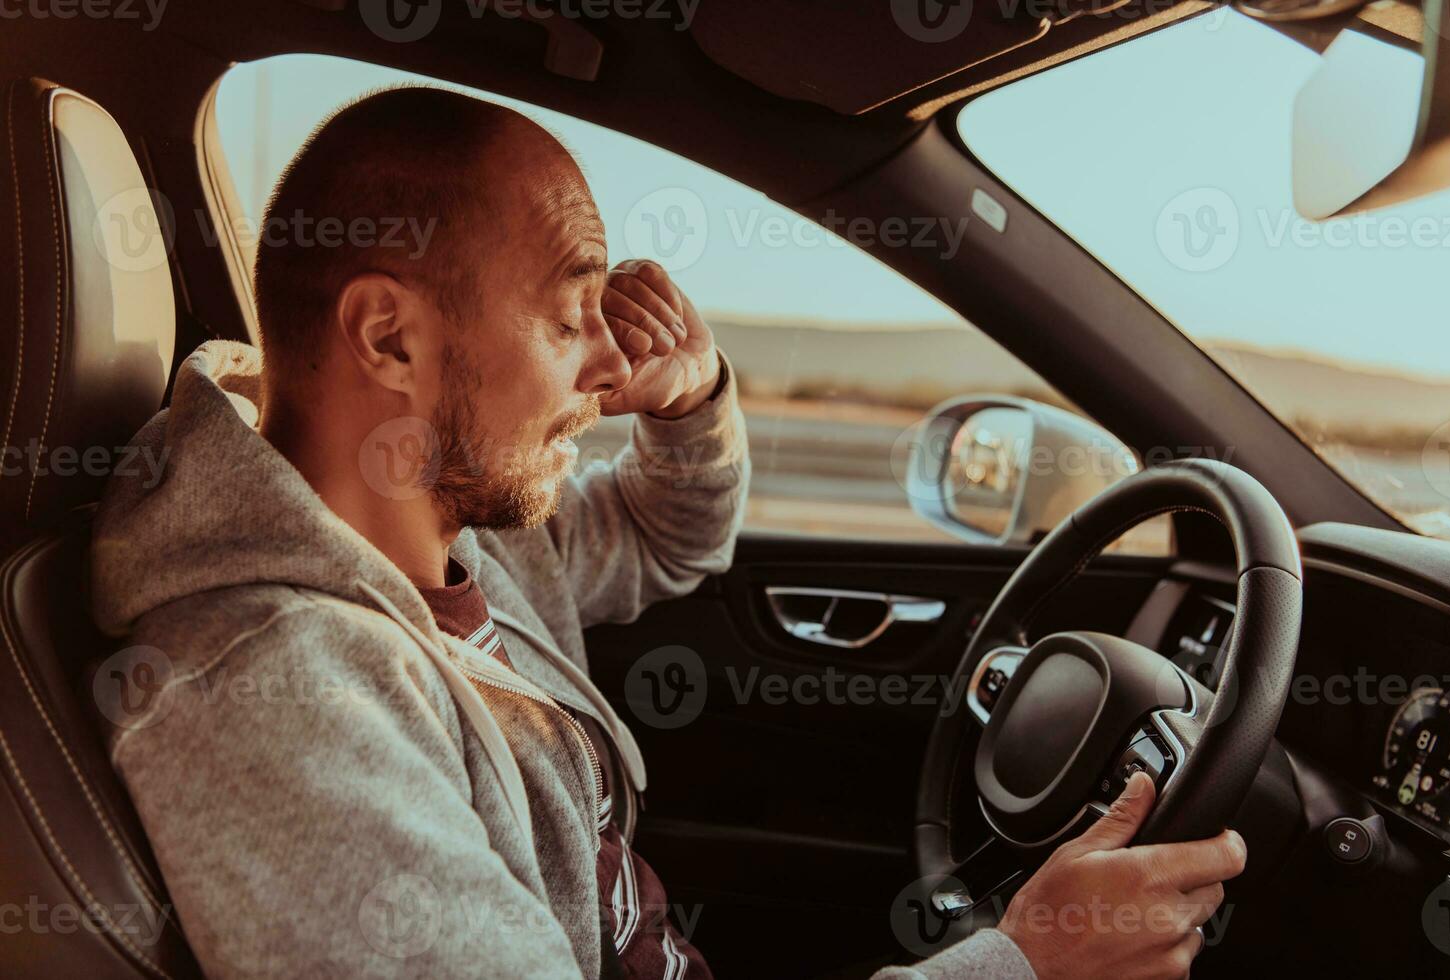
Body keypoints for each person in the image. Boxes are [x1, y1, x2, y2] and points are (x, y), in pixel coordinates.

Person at [90, 86, 1245, 979]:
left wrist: (693, 408)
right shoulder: (274, 699)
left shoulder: (450, 533)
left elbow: (663, 538)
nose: (607, 365)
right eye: (567, 313)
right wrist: (1025, 962)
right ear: (388, 338)